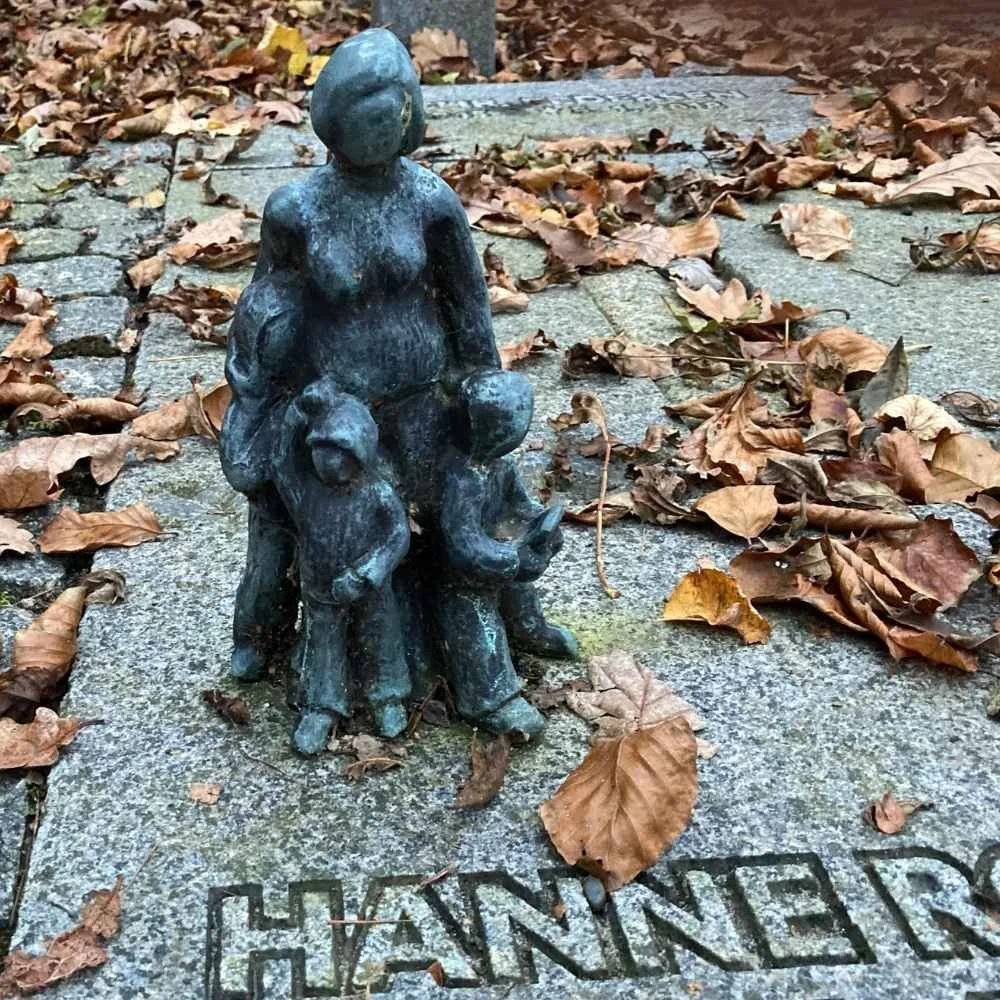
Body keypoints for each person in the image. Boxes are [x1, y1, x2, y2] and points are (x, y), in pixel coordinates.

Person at [436, 370, 577, 736]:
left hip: (501, 550)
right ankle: (489, 697)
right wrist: (510, 558)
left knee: (521, 591)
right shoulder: (463, 480)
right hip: (466, 576)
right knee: (476, 620)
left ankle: (529, 629)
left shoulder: (501, 466)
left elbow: (522, 505)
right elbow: (463, 543)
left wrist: (541, 526)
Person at [273, 379, 411, 754]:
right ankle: (321, 706)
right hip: (321, 588)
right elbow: (282, 465)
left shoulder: (377, 493)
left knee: (380, 638)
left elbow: (397, 536)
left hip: (369, 587)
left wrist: (369, 572)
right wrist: (295, 417)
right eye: (320, 452)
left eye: (339, 453)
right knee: (323, 644)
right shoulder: (306, 492)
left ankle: (387, 697)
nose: (328, 462)